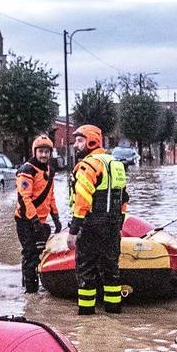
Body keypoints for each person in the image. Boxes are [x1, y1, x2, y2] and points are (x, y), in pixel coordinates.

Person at [67, 124, 128, 315]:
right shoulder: (116, 164)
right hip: (112, 226)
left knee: (86, 272)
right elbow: (123, 199)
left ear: (92, 141)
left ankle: (86, 319)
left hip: (91, 225)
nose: (76, 145)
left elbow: (82, 201)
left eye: (80, 140)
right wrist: (119, 225)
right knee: (112, 271)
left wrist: (73, 231)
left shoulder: (88, 165)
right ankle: (114, 312)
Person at [15, 135, 61, 293]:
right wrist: (34, 220)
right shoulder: (27, 170)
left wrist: (56, 218)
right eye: (40, 151)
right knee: (30, 254)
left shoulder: (50, 170)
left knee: (40, 253)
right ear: (35, 152)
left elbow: (51, 196)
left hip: (41, 221)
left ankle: (29, 283)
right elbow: (24, 198)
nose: (43, 155)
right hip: (25, 220)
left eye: (47, 152)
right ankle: (30, 292)